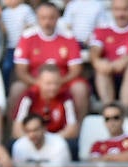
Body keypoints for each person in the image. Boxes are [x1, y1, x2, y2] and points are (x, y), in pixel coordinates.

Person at [11, 2, 91, 130]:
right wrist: (39, 83)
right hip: (35, 81)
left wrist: (56, 83)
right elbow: (20, 70)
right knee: (17, 88)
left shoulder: (68, 36)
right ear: (37, 18)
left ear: (58, 17)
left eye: (51, 18)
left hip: (63, 81)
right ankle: (15, 130)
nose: (47, 22)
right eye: (43, 18)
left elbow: (76, 69)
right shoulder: (27, 36)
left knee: (80, 88)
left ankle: (79, 130)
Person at [90, 0, 128, 112]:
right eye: (117, 9)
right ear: (112, 11)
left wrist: (126, 59)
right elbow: (94, 50)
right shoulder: (102, 29)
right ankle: (109, 113)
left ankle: (123, 114)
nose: (121, 14)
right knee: (101, 67)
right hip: (110, 78)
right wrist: (97, 61)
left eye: (125, 9)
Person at [12, 63, 80, 145]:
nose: (53, 87)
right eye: (48, 83)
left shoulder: (66, 97)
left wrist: (49, 143)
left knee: (73, 145)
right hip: (31, 140)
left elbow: (73, 129)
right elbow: (17, 129)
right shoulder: (29, 96)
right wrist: (31, 142)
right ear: (39, 82)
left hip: (57, 141)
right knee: (13, 144)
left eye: (56, 83)